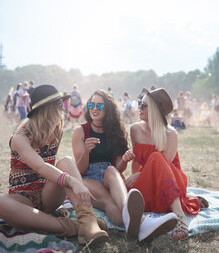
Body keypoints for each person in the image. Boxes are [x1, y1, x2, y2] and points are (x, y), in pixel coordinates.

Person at [0, 85, 109, 246]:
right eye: (59, 105)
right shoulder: (19, 138)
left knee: (66, 161)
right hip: (23, 200)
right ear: (47, 110)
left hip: (47, 196)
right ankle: (77, 227)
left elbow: (52, 169)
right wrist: (73, 182)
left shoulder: (56, 131)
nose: (63, 109)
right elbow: (40, 167)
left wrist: (71, 180)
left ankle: (88, 220)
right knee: (1, 202)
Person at [72, 89, 178, 242]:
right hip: (88, 178)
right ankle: (142, 224)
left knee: (111, 170)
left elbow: (119, 168)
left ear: (107, 109)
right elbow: (79, 170)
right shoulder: (80, 132)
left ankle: (135, 221)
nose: (94, 109)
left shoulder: (115, 132)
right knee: (109, 201)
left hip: (111, 175)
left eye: (99, 106)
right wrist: (86, 152)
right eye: (91, 104)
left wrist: (125, 160)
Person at [126, 87, 208, 241]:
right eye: (139, 103)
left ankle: (178, 213)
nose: (139, 108)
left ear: (155, 111)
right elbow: (136, 161)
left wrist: (138, 175)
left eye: (144, 105)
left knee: (157, 157)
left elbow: (164, 166)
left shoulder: (171, 134)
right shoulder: (135, 129)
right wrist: (135, 182)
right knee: (128, 193)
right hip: (148, 182)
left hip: (170, 183)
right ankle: (173, 208)